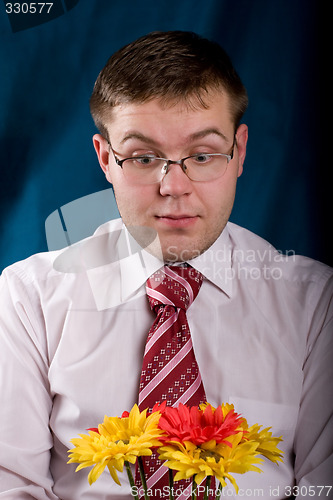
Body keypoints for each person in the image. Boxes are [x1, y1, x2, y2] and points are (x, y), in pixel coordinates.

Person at [0, 31, 332, 500]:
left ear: (239, 152)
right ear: (105, 159)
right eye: (143, 157)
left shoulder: (315, 303)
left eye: (202, 155)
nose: (174, 186)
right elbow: (11, 486)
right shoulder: (27, 297)